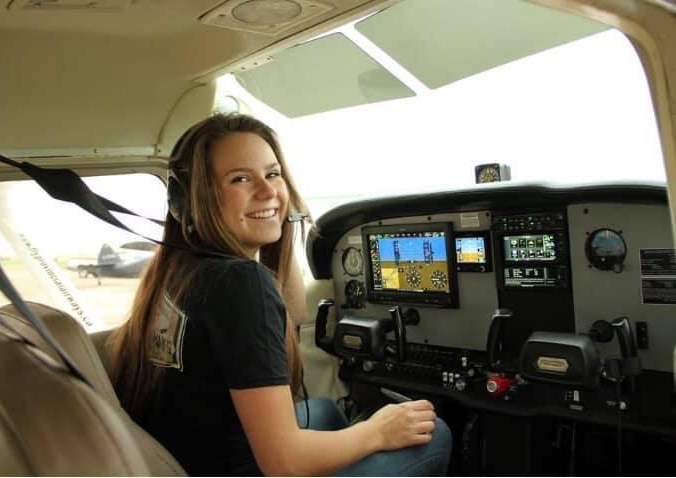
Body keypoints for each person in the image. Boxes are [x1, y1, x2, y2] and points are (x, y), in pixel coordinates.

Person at [107, 113, 452, 476]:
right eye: (240, 178)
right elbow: (285, 463)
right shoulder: (239, 284)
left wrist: (280, 236)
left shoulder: (179, 269)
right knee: (433, 433)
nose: (269, 191)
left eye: (273, 174)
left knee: (327, 412)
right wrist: (377, 432)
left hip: (194, 461)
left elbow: (295, 312)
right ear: (191, 200)